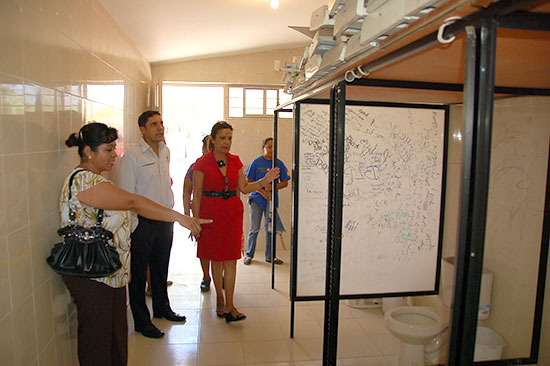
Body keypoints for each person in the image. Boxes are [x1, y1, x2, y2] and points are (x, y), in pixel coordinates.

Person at [61, 122, 209, 366]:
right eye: (108, 150)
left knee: (116, 337)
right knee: (97, 341)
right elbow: (133, 201)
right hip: (92, 276)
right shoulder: (83, 181)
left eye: (114, 149)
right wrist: (180, 217)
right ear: (89, 151)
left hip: (109, 273)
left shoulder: (97, 180)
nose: (114, 156)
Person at [192, 121, 280, 322]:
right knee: (216, 258)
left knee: (231, 259)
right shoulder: (202, 163)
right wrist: (195, 221)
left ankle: (230, 304)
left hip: (232, 213)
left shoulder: (235, 161)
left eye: (229, 138)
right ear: (213, 140)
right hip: (210, 214)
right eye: (222, 138)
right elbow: (196, 193)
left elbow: (245, 187)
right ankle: (220, 300)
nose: (227, 142)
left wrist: (266, 181)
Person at [119, 110, 183, 339]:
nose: (160, 127)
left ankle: (162, 308)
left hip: (164, 219)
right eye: (154, 124)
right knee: (138, 275)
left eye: (161, 123)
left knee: (160, 267)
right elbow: (127, 194)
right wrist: (135, 225)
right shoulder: (132, 157)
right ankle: (141, 321)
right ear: (143, 130)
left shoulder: (165, 151)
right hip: (142, 223)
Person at [243, 137, 290, 265]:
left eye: (274, 147)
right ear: (263, 148)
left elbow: (285, 182)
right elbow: (249, 182)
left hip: (271, 201)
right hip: (257, 200)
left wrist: (274, 187)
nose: (271, 150)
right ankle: (249, 255)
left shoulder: (278, 163)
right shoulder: (256, 163)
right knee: (254, 228)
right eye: (269, 147)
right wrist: (263, 191)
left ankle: (270, 256)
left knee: (271, 229)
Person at [183, 135, 212, 292]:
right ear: (203, 149)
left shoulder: (226, 165)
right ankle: (206, 276)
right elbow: (187, 192)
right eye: (208, 147)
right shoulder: (196, 167)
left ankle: (219, 275)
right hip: (201, 213)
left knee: (219, 248)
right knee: (204, 248)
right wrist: (188, 216)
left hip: (219, 213)